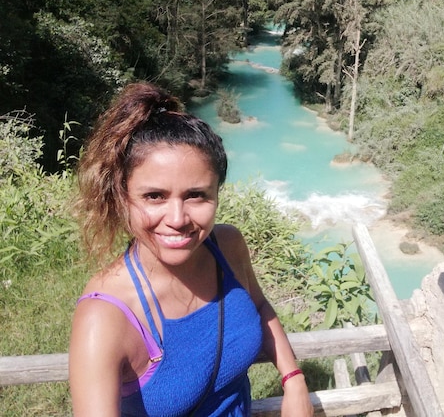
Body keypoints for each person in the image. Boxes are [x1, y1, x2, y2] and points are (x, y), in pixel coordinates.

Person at [69, 82, 313, 417]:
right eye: (154, 196)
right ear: (122, 197)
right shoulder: (105, 318)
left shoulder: (228, 246)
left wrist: (293, 378)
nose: (177, 219)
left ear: (217, 194)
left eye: (196, 195)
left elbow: (257, 303)